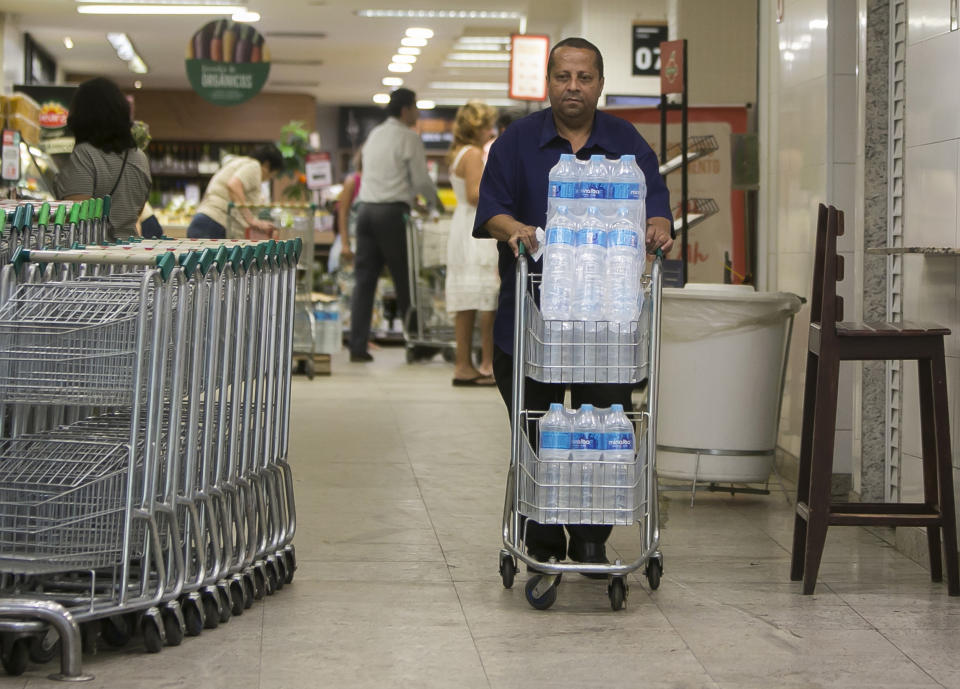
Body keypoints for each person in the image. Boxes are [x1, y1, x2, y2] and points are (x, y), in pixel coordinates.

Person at [474, 37, 674, 571]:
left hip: (605, 328)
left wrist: (658, 224)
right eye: (563, 76)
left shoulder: (625, 142)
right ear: (549, 81)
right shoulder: (517, 142)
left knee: (603, 429)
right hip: (529, 321)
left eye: (584, 77)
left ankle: (591, 539)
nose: (573, 87)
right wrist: (514, 228)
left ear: (599, 84)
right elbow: (490, 209)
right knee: (538, 431)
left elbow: (656, 202)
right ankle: (542, 540)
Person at [349, 87, 437, 363]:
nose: (418, 113)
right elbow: (422, 180)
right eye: (416, 108)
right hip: (391, 215)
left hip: (365, 211)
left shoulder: (374, 134)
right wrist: (436, 205)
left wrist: (410, 197)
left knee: (364, 281)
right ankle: (415, 343)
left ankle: (357, 347)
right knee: (404, 278)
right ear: (405, 110)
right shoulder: (409, 137)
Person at [55, 77, 151, 242]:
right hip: (130, 254)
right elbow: (137, 212)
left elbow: (77, 216)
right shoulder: (140, 157)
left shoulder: (85, 154)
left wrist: (38, 217)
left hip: (94, 258)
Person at [445, 101, 500, 386]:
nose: (490, 131)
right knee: (487, 299)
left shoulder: (459, 153)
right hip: (475, 230)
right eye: (487, 125)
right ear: (476, 127)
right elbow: (474, 194)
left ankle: (464, 364)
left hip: (462, 227)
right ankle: (487, 364)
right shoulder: (474, 153)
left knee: (467, 300)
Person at [187, 144, 283, 239]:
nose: (268, 179)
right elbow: (234, 185)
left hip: (206, 221)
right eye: (273, 175)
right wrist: (251, 220)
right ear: (267, 165)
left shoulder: (241, 162)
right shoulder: (254, 166)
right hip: (214, 223)